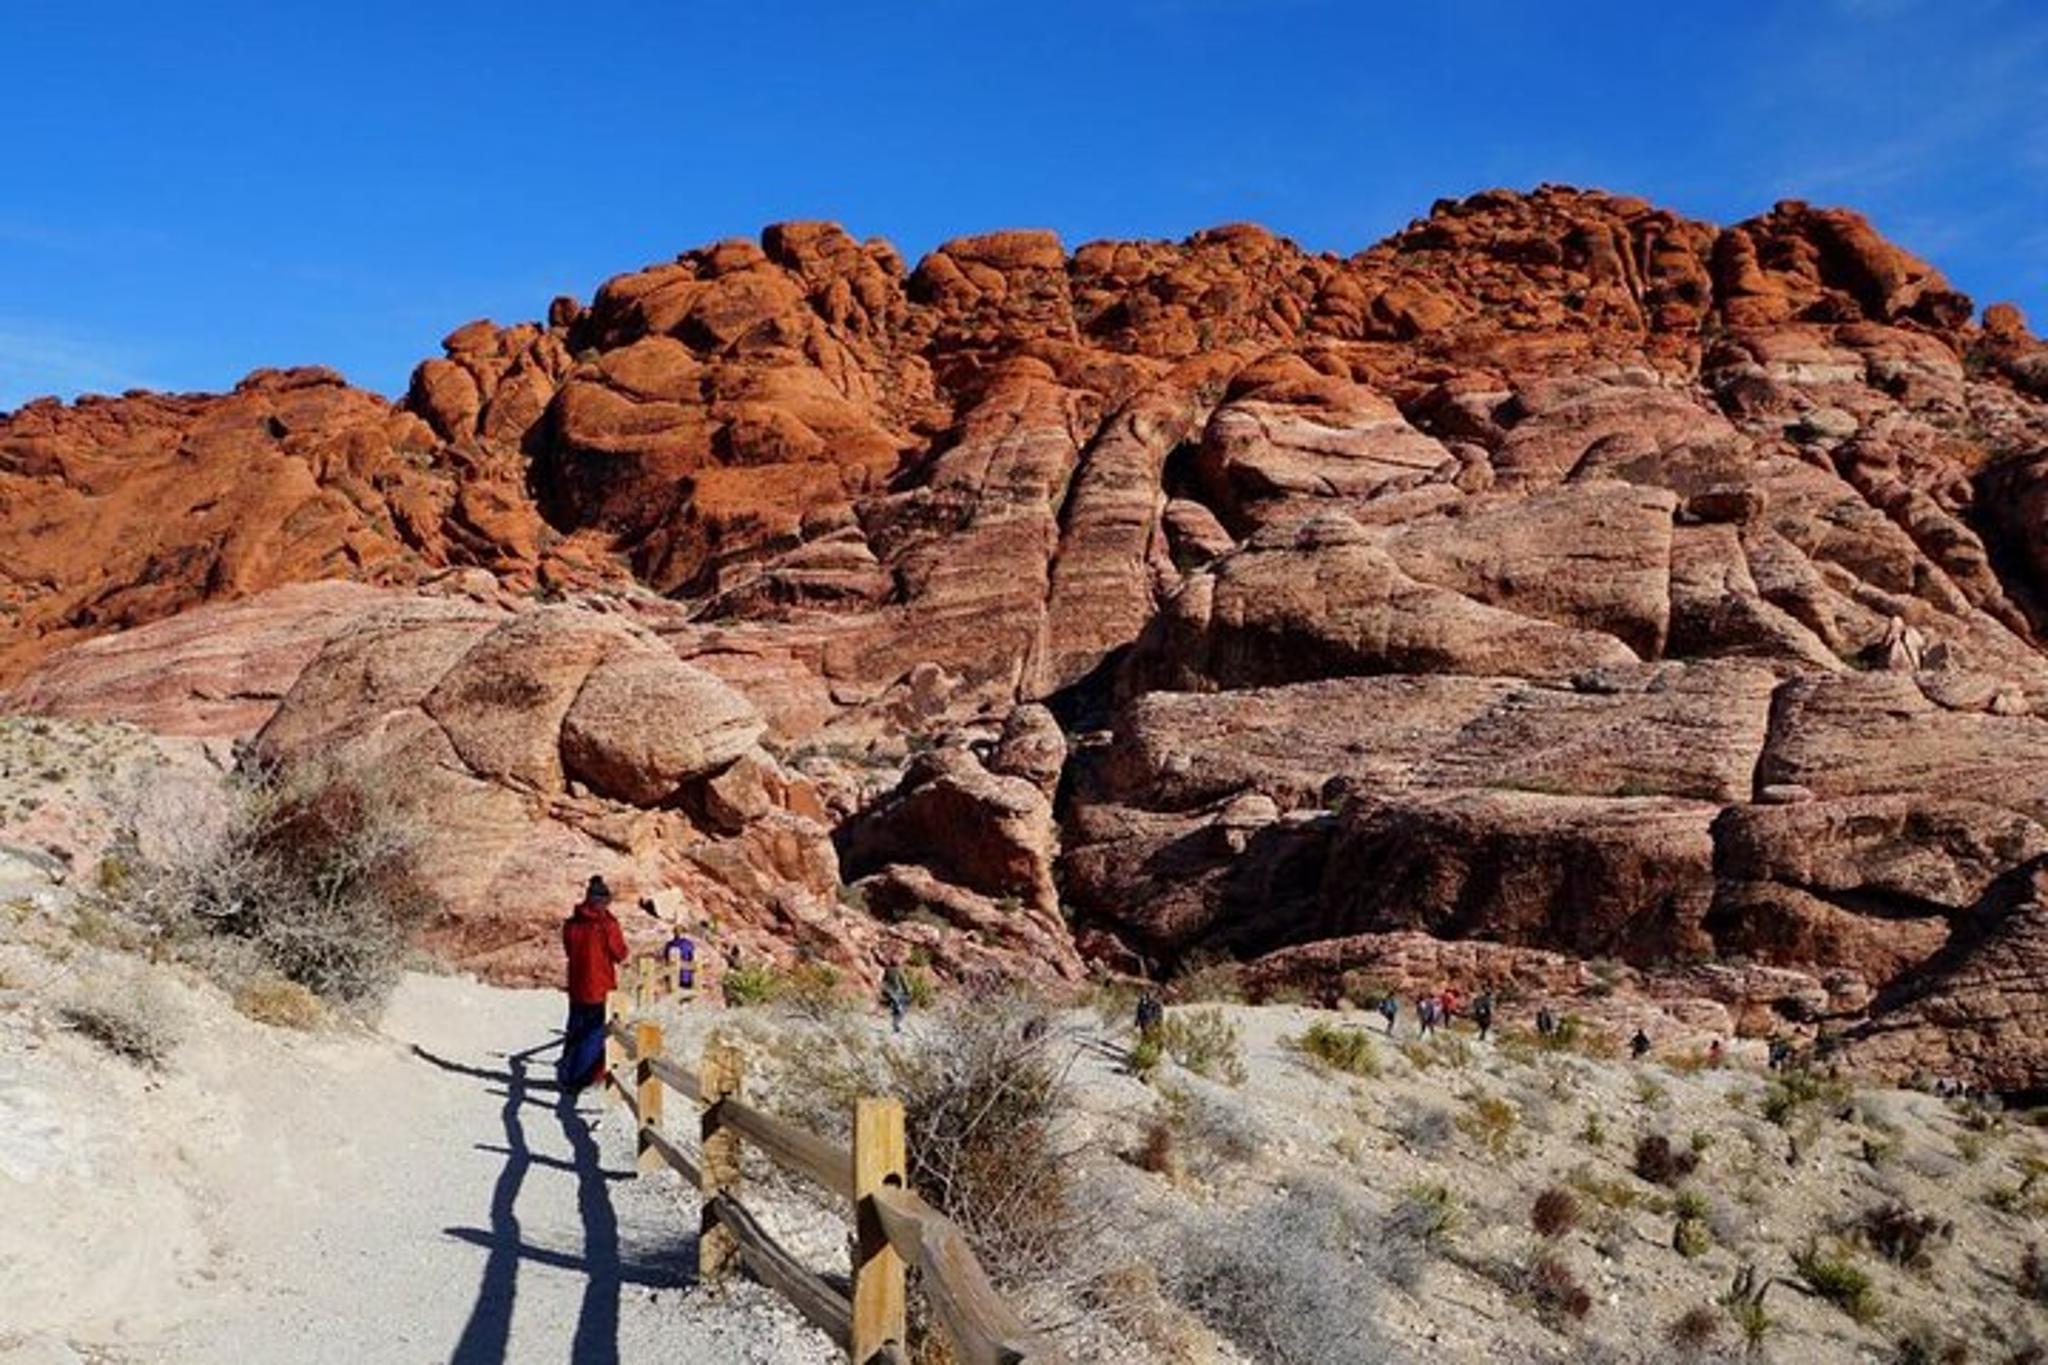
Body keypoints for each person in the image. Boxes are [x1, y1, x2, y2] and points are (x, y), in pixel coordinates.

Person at [557, 875, 629, 1094]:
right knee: (594, 1035)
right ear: (603, 901)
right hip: (600, 987)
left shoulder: (572, 924)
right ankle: (580, 1079)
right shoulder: (606, 924)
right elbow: (620, 953)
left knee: (575, 1031)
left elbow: (569, 951)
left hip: (577, 986)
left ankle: (566, 1075)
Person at [880, 959, 912, 1034]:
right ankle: (896, 1026)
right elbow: (904, 982)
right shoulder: (899, 971)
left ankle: (895, 1025)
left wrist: (884, 991)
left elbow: (884, 981)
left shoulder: (887, 970)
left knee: (896, 1009)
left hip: (889, 992)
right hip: (897, 993)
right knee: (901, 1010)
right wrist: (908, 992)